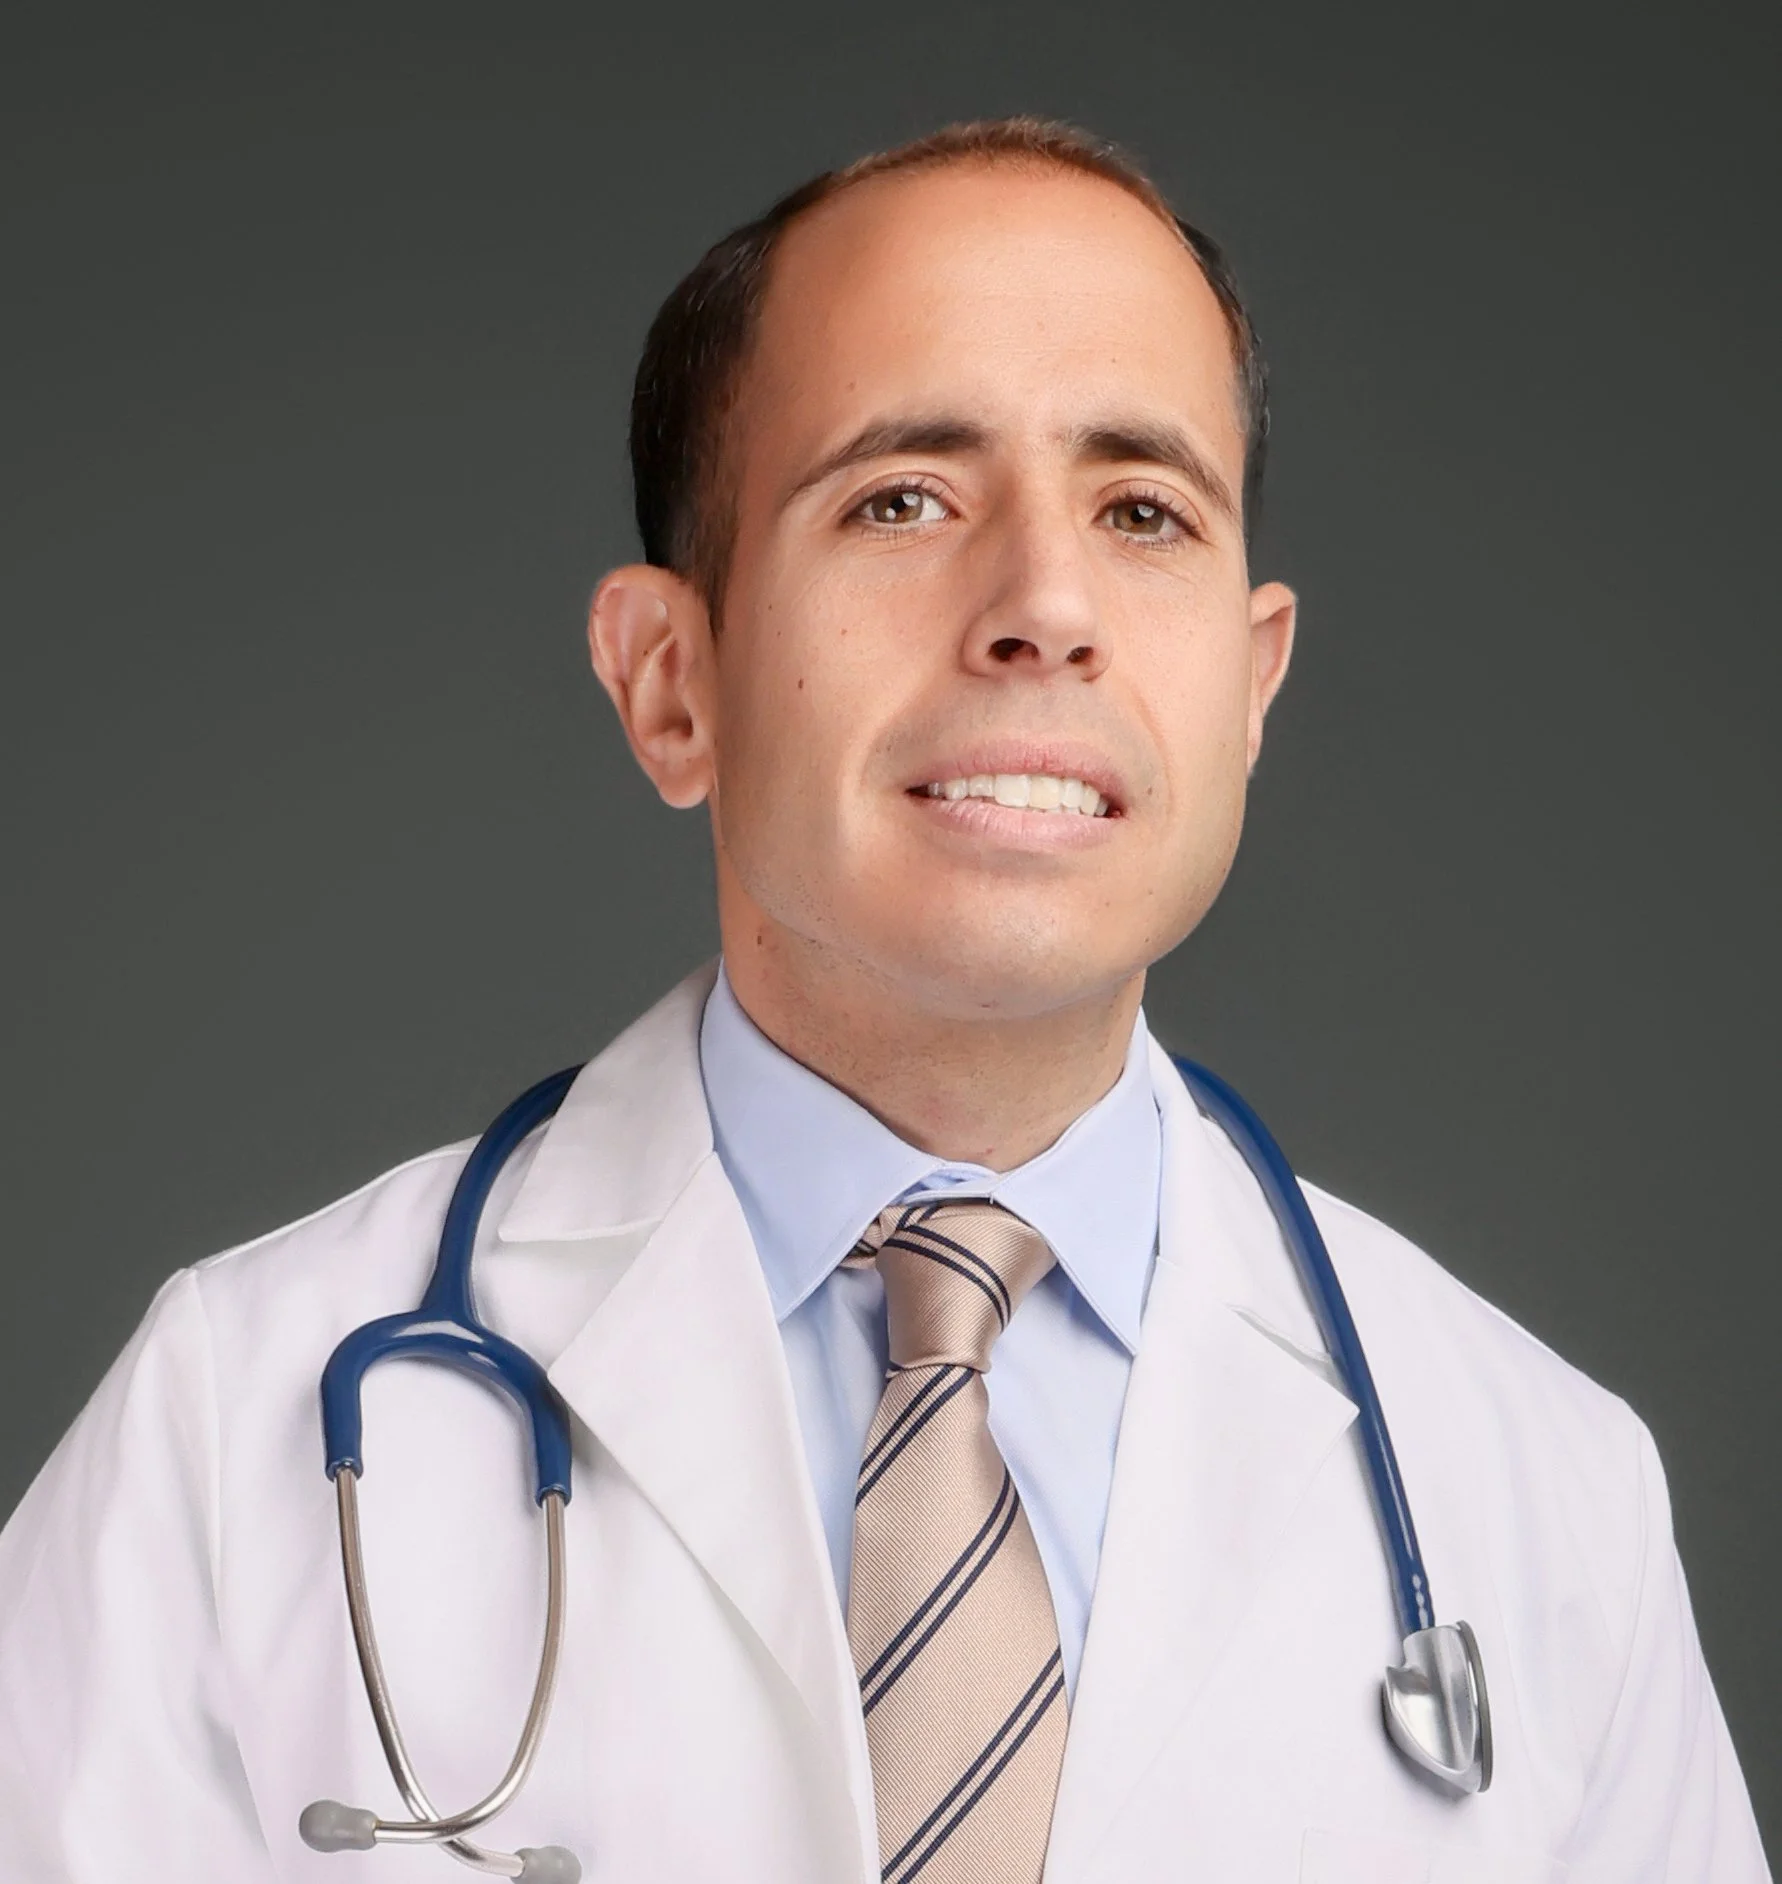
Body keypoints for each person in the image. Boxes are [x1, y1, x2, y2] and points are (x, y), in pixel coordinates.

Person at [0, 117, 1766, 1884]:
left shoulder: (1546, 1495)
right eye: (901, 499)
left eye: (1141, 511)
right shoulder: (226, 1433)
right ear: (670, 682)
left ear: (1248, 693)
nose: (1046, 607)